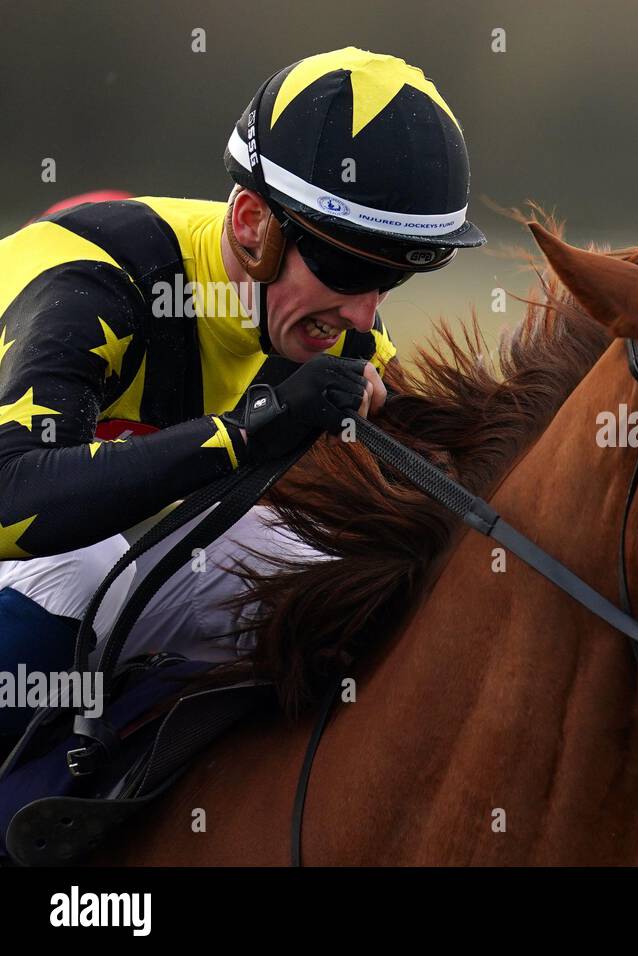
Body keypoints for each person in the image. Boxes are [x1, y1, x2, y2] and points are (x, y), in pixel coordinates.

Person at [0, 47, 486, 736]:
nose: (362, 313)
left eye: (394, 278)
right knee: (83, 572)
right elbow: (11, 498)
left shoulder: (339, 332)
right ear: (253, 223)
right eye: (344, 265)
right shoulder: (87, 287)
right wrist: (254, 429)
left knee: (318, 585)